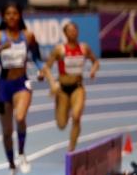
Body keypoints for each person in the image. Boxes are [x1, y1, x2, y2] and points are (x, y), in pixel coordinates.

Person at [0, 2, 43, 175]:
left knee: (20, 116)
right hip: (4, 86)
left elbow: (37, 58)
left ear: (20, 16)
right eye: (8, 14)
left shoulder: (28, 36)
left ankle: (22, 154)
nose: (11, 17)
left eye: (15, 13)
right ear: (3, 16)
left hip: (22, 84)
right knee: (7, 132)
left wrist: (41, 70)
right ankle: (11, 166)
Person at [41, 22, 99, 151]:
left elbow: (95, 62)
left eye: (74, 30)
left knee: (76, 117)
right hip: (62, 89)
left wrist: (93, 70)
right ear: (65, 33)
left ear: (77, 32)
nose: (73, 32)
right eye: (70, 30)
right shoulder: (59, 49)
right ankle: (61, 106)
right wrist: (52, 83)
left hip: (78, 88)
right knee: (61, 124)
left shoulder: (84, 48)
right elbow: (46, 68)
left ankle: (71, 150)